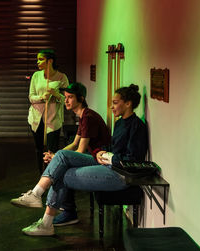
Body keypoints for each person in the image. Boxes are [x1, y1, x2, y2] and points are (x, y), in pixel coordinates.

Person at [11, 84, 148, 236]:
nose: (111, 106)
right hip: (107, 166)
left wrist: (108, 156)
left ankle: (43, 212)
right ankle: (42, 209)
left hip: (121, 176)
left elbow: (132, 159)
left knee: (60, 172)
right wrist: (104, 154)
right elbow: (112, 149)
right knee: (61, 159)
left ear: (128, 104)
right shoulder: (121, 122)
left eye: (115, 103)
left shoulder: (137, 126)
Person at [28, 49, 69, 174]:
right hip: (37, 117)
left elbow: (67, 100)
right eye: (38, 59)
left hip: (53, 118)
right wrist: (41, 98)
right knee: (39, 148)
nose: (38, 62)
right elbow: (31, 97)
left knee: (52, 150)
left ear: (50, 61)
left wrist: (56, 94)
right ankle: (41, 174)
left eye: (41, 59)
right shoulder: (36, 76)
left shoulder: (61, 77)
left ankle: (52, 173)